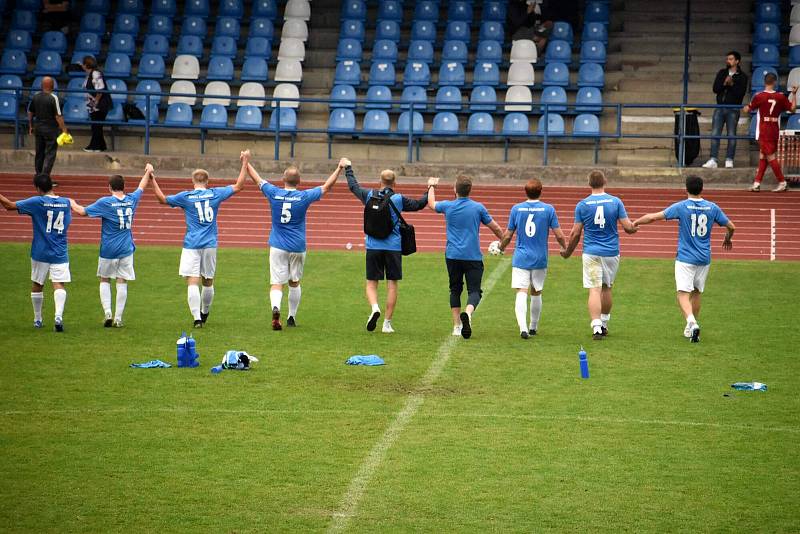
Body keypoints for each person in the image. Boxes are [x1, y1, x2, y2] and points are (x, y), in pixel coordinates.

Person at [245, 155, 345, 330]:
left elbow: (257, 179)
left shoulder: (274, 193)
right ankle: (291, 317)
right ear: (300, 181)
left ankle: (276, 308)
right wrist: (339, 168)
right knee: (294, 282)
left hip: (277, 245)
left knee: (277, 283)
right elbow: (326, 186)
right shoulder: (304, 196)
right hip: (298, 246)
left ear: (283, 179)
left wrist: (245, 162)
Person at [633, 176, 735, 343]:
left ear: (686, 189)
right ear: (702, 189)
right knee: (696, 292)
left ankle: (692, 322)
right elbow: (731, 226)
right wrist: (728, 238)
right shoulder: (712, 207)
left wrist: (637, 222)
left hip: (686, 257)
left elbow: (654, 217)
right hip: (704, 257)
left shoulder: (681, 207)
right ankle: (690, 328)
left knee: (682, 294)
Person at [151, 156, 248, 328]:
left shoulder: (186, 197)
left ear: (192, 181)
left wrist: (152, 179)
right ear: (208, 181)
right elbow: (239, 185)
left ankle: (196, 319)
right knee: (208, 281)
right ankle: (205, 312)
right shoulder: (215, 193)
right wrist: (245, 162)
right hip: (210, 244)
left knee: (192, 281)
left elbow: (162, 199)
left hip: (192, 244)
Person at [346, 165, 431, 333]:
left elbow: (353, 186)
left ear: (380, 182)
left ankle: (375, 307)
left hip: (373, 246)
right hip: (393, 247)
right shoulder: (398, 199)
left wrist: (348, 168)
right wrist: (430, 188)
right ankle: (387, 323)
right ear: (395, 183)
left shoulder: (369, 195)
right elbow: (419, 204)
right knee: (392, 284)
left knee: (371, 283)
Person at [69, 164, 154, 327]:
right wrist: (148, 171)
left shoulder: (106, 202)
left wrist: (71, 202)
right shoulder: (131, 200)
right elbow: (141, 187)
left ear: (109, 187)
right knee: (122, 281)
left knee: (105, 279)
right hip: (126, 248)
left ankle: (107, 312)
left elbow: (82, 211)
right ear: (124, 187)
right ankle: (118, 318)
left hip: (108, 248)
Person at [561, 170, 638, 340]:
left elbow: (575, 233)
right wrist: (635, 227)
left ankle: (595, 325)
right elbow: (628, 227)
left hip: (591, 252)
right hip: (611, 252)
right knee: (607, 287)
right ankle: (604, 323)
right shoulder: (616, 202)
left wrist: (568, 252)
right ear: (605, 182)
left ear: (589, 184)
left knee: (594, 289)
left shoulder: (583, 205)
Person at [427, 175, 505, 339]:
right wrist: (502, 242)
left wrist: (431, 186)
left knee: (455, 289)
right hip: (473, 256)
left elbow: (432, 204)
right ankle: (468, 313)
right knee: (474, 290)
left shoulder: (448, 206)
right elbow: (496, 228)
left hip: (452, 255)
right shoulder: (478, 208)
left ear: (455, 189)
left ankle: (456, 326)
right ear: (470, 190)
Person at [0, 174, 72, 331]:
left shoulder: (37, 202)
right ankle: (58, 317)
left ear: (38, 188)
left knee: (38, 284)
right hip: (60, 251)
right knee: (59, 284)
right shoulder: (66, 203)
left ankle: (38, 319)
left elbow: (9, 206)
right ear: (52, 185)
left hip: (40, 251)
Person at [498, 178, 567, 339]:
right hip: (540, 258)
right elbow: (559, 234)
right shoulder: (548, 209)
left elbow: (508, 235)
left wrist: (501, 247)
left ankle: (523, 328)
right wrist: (565, 247)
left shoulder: (516, 209)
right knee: (536, 291)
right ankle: (533, 327)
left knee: (521, 291)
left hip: (521, 257)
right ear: (541, 191)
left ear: (525, 191)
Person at [742, 74, 797, 192]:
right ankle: (757, 184)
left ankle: (782, 182)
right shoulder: (780, 97)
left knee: (770, 157)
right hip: (774, 129)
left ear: (764, 82)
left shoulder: (760, 96)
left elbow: (748, 109)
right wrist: (794, 94)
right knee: (763, 156)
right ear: (775, 82)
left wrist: (746, 107)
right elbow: (792, 109)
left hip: (765, 129)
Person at [702, 51, 748, 169]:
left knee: (731, 135)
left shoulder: (742, 76)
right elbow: (715, 89)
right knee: (715, 133)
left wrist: (732, 84)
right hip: (720, 107)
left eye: (731, 59)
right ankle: (713, 159)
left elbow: (740, 94)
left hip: (733, 109)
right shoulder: (722, 73)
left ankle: (729, 159)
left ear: (737, 61)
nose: (728, 61)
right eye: (728, 59)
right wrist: (724, 83)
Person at [27, 76, 69, 177]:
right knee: (50, 154)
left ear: (41, 85)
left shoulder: (36, 96)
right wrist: (64, 130)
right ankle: (45, 177)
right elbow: (58, 116)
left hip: (38, 128)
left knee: (39, 153)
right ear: (52, 86)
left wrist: (30, 125)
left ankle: (38, 175)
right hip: (51, 130)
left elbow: (30, 112)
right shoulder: (54, 98)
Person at [81, 56, 113, 153]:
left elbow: (100, 90)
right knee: (96, 125)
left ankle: (94, 146)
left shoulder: (95, 73)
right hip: (92, 104)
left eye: (83, 64)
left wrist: (95, 103)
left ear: (86, 65)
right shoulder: (89, 74)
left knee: (96, 126)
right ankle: (101, 146)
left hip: (100, 104)